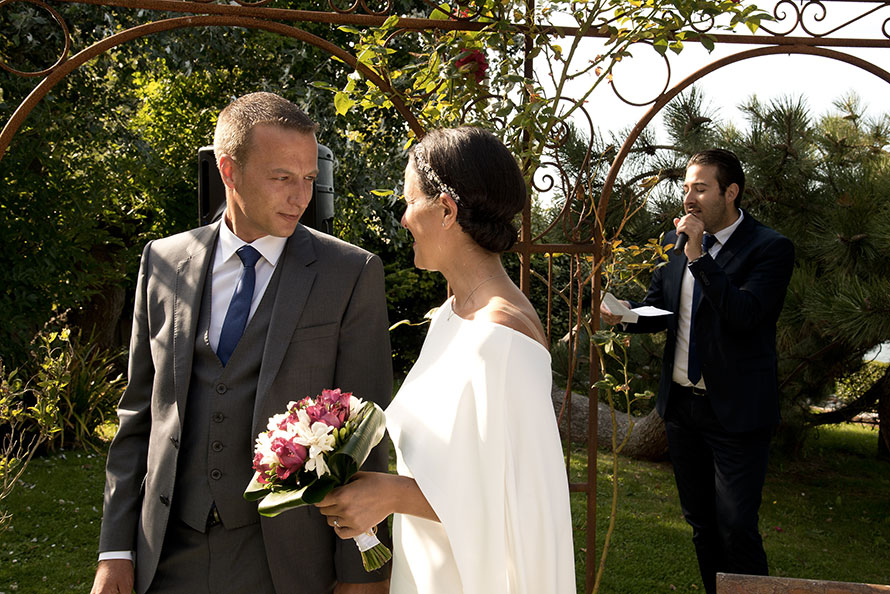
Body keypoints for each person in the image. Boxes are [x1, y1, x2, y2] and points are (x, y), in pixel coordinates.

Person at [90, 92, 393, 594]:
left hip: (287, 560)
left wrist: (361, 574)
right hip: (165, 554)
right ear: (229, 171)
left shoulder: (351, 273)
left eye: (309, 180)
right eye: (282, 178)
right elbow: (138, 417)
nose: (301, 197)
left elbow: (367, 435)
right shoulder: (163, 262)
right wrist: (116, 550)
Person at [314, 127, 576, 594]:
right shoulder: (454, 315)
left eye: (409, 201)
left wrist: (390, 494)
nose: (402, 218)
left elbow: (519, 503)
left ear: (447, 210)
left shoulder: (502, 337)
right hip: (433, 564)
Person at [601, 149, 794, 593]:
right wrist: (627, 314)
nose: (689, 198)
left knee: (735, 528)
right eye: (686, 187)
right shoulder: (678, 244)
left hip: (738, 413)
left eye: (701, 188)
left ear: (731, 192)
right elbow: (664, 308)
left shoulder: (770, 248)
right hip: (684, 410)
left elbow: (744, 314)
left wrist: (698, 255)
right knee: (702, 526)